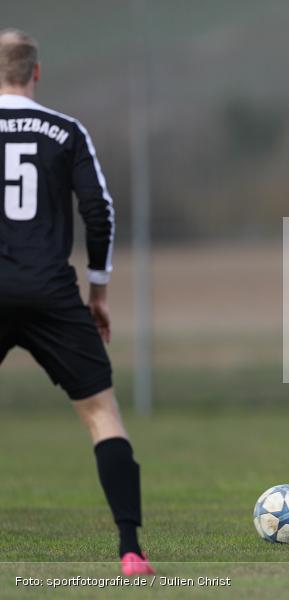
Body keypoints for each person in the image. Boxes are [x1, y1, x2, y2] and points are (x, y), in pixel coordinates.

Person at [0, 29, 154, 574]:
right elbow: (98, 209)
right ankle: (130, 550)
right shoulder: (65, 130)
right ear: (36, 72)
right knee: (101, 415)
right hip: (51, 293)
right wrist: (99, 291)